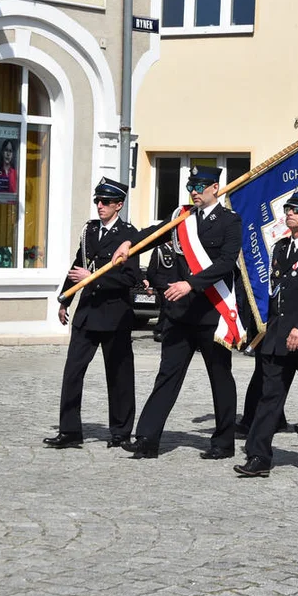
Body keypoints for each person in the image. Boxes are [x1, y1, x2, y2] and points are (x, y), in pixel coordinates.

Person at [112, 165, 242, 460]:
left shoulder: (230, 221)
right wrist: (130, 243)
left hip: (212, 311)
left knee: (220, 377)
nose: (194, 192)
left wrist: (191, 284)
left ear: (215, 188)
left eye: (200, 186)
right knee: (167, 375)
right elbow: (155, 234)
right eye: (191, 186)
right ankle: (147, 438)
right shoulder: (182, 217)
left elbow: (226, 263)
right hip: (180, 313)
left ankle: (223, 442)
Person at [233, 187, 298, 477]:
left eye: (297, 211)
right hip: (279, 338)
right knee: (269, 397)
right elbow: (276, 294)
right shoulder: (281, 248)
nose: (290, 215)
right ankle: (259, 457)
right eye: (288, 210)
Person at [43, 177, 140, 449]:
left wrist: (94, 277)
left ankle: (120, 432)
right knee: (72, 372)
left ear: (118, 205)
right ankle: (70, 431)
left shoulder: (129, 235)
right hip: (87, 312)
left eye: (106, 202)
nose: (100, 206)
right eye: (98, 201)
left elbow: (129, 278)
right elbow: (78, 265)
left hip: (114, 313)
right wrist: (66, 298)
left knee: (119, 375)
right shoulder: (90, 231)